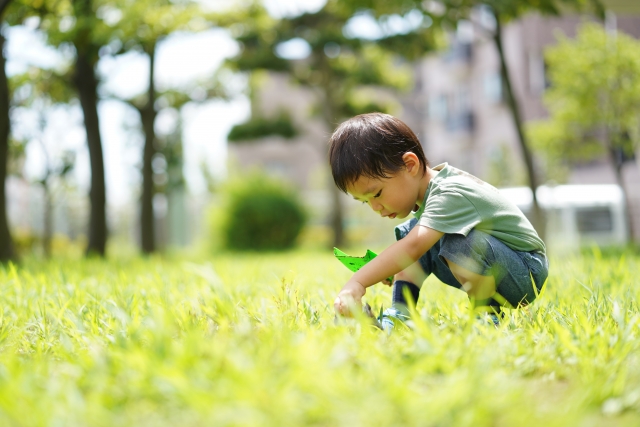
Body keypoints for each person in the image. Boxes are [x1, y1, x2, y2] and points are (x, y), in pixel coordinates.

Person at [329, 113, 548, 329]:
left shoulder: (448, 192)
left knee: (446, 242)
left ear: (410, 165)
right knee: (412, 232)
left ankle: (486, 317)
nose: (376, 208)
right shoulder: (429, 195)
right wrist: (389, 269)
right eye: (365, 202)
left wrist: (357, 282)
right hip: (498, 262)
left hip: (525, 271)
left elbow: (413, 247)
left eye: (376, 194)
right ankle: (399, 315)